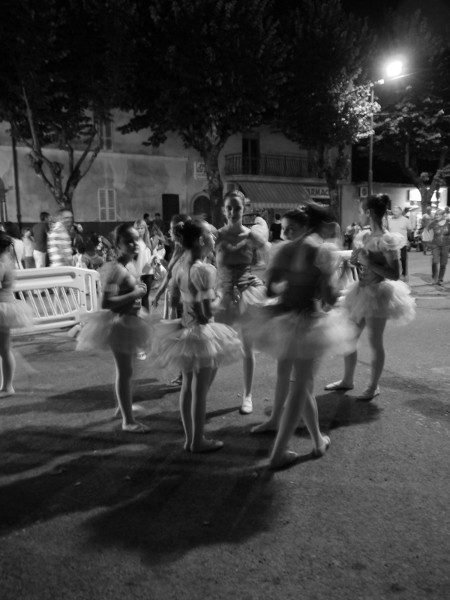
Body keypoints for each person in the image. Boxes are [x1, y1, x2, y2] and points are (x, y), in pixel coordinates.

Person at [245, 207, 354, 469]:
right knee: (300, 387)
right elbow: (327, 297)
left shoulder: (284, 249)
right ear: (321, 225)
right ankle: (279, 452)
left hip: (284, 319)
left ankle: (317, 439)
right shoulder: (322, 251)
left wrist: (289, 285)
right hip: (307, 322)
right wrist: (341, 280)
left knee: (301, 386)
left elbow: (271, 286)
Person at [150, 220, 243, 452]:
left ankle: (190, 439)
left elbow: (178, 300)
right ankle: (198, 441)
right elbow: (204, 313)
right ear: (202, 240)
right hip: (201, 333)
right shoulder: (203, 269)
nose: (215, 237)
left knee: (188, 387)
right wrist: (225, 299)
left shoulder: (181, 264)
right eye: (212, 234)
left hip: (185, 330)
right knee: (199, 391)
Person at [325, 194, 416, 401]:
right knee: (348, 337)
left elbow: (395, 274)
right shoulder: (365, 237)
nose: (359, 214)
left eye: (360, 210)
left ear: (369, 213)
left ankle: (373, 385)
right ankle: (347, 380)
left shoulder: (386, 239)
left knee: (375, 342)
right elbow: (363, 262)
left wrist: (368, 262)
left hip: (378, 293)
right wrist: (356, 261)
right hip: (360, 291)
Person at [76, 223, 153, 433]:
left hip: (131, 320)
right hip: (120, 324)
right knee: (125, 370)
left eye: (136, 239)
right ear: (118, 244)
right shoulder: (115, 269)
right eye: (128, 241)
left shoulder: (128, 266)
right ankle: (128, 421)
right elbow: (107, 303)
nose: (134, 244)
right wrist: (135, 294)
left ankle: (123, 406)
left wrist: (137, 291)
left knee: (131, 369)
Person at [214, 190, 268, 415]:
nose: (233, 212)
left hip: (247, 294)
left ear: (243, 209)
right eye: (230, 208)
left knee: (248, 348)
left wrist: (259, 278)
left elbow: (269, 258)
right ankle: (200, 392)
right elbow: (201, 259)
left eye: (237, 208)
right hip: (224, 295)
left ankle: (247, 395)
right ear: (224, 210)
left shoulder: (252, 236)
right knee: (215, 346)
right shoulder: (215, 235)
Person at [0, 231, 34, 397]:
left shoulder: (0, 263)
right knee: (5, 350)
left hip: (2, 306)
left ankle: (7, 386)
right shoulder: (7, 259)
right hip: (7, 306)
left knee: (5, 350)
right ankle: (7, 385)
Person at [387, 205, 412, 281]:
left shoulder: (406, 220)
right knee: (393, 259)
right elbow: (386, 230)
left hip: (402, 243)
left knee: (403, 259)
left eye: (396, 211)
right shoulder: (389, 220)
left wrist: (408, 240)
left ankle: (404, 274)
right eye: (393, 211)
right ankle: (394, 274)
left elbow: (410, 230)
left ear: (400, 212)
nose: (394, 213)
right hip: (392, 244)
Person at [427, 208, 450, 286]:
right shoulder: (433, 223)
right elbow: (427, 230)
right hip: (435, 244)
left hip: (446, 245)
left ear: (443, 215)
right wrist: (429, 240)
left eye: (438, 214)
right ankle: (434, 278)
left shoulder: (448, 223)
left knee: (443, 263)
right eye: (436, 214)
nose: (436, 216)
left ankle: (440, 279)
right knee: (435, 261)